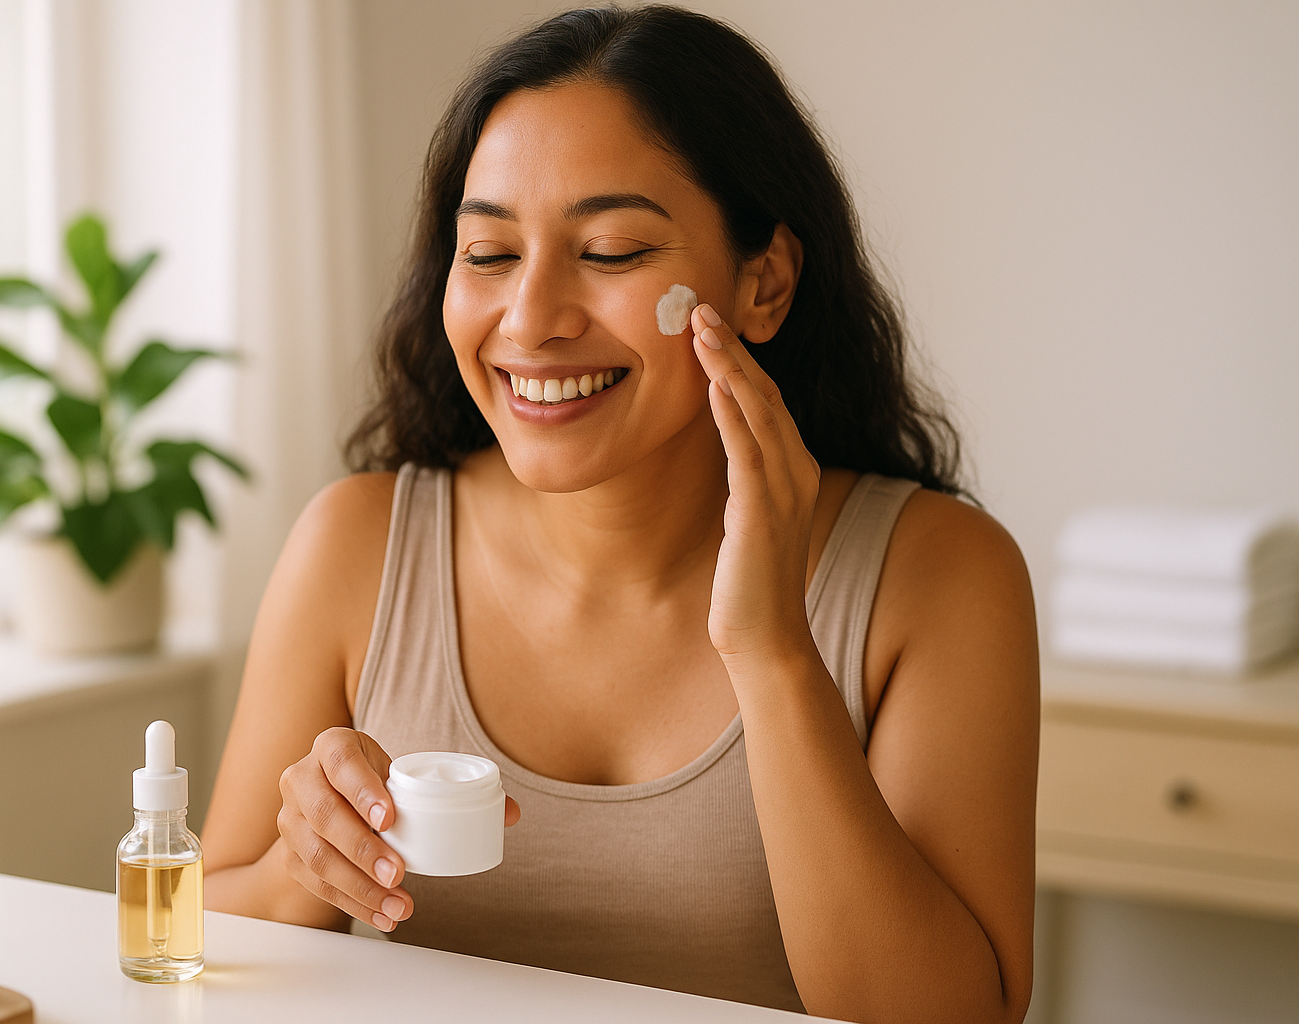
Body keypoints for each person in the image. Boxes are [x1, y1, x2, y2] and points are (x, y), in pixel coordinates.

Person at [201, 7, 1038, 1022]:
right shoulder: (353, 543)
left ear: (763, 282)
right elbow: (194, 936)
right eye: (491, 253)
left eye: (609, 250)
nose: (532, 319)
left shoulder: (940, 576)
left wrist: (772, 650)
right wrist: (305, 866)